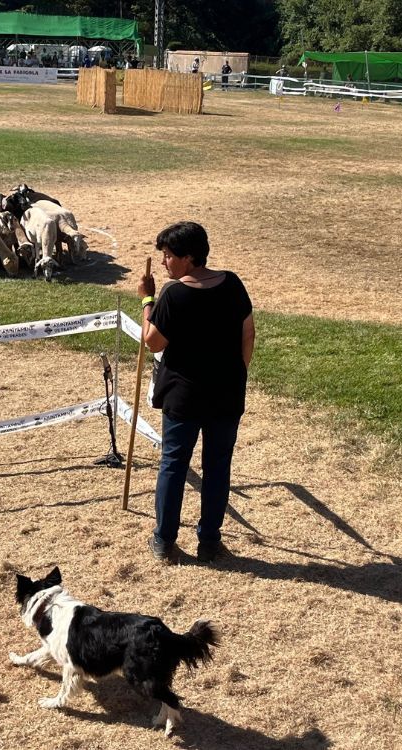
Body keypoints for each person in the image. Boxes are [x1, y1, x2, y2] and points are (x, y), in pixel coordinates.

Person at [137, 221, 255, 564]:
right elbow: (248, 333)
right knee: (218, 467)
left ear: (188, 258)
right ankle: (210, 542)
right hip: (227, 395)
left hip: (184, 399)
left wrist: (147, 299)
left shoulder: (174, 294)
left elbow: (152, 340)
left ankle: (163, 540)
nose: (163, 262)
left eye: (168, 255)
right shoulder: (232, 284)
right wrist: (237, 374)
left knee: (173, 465)